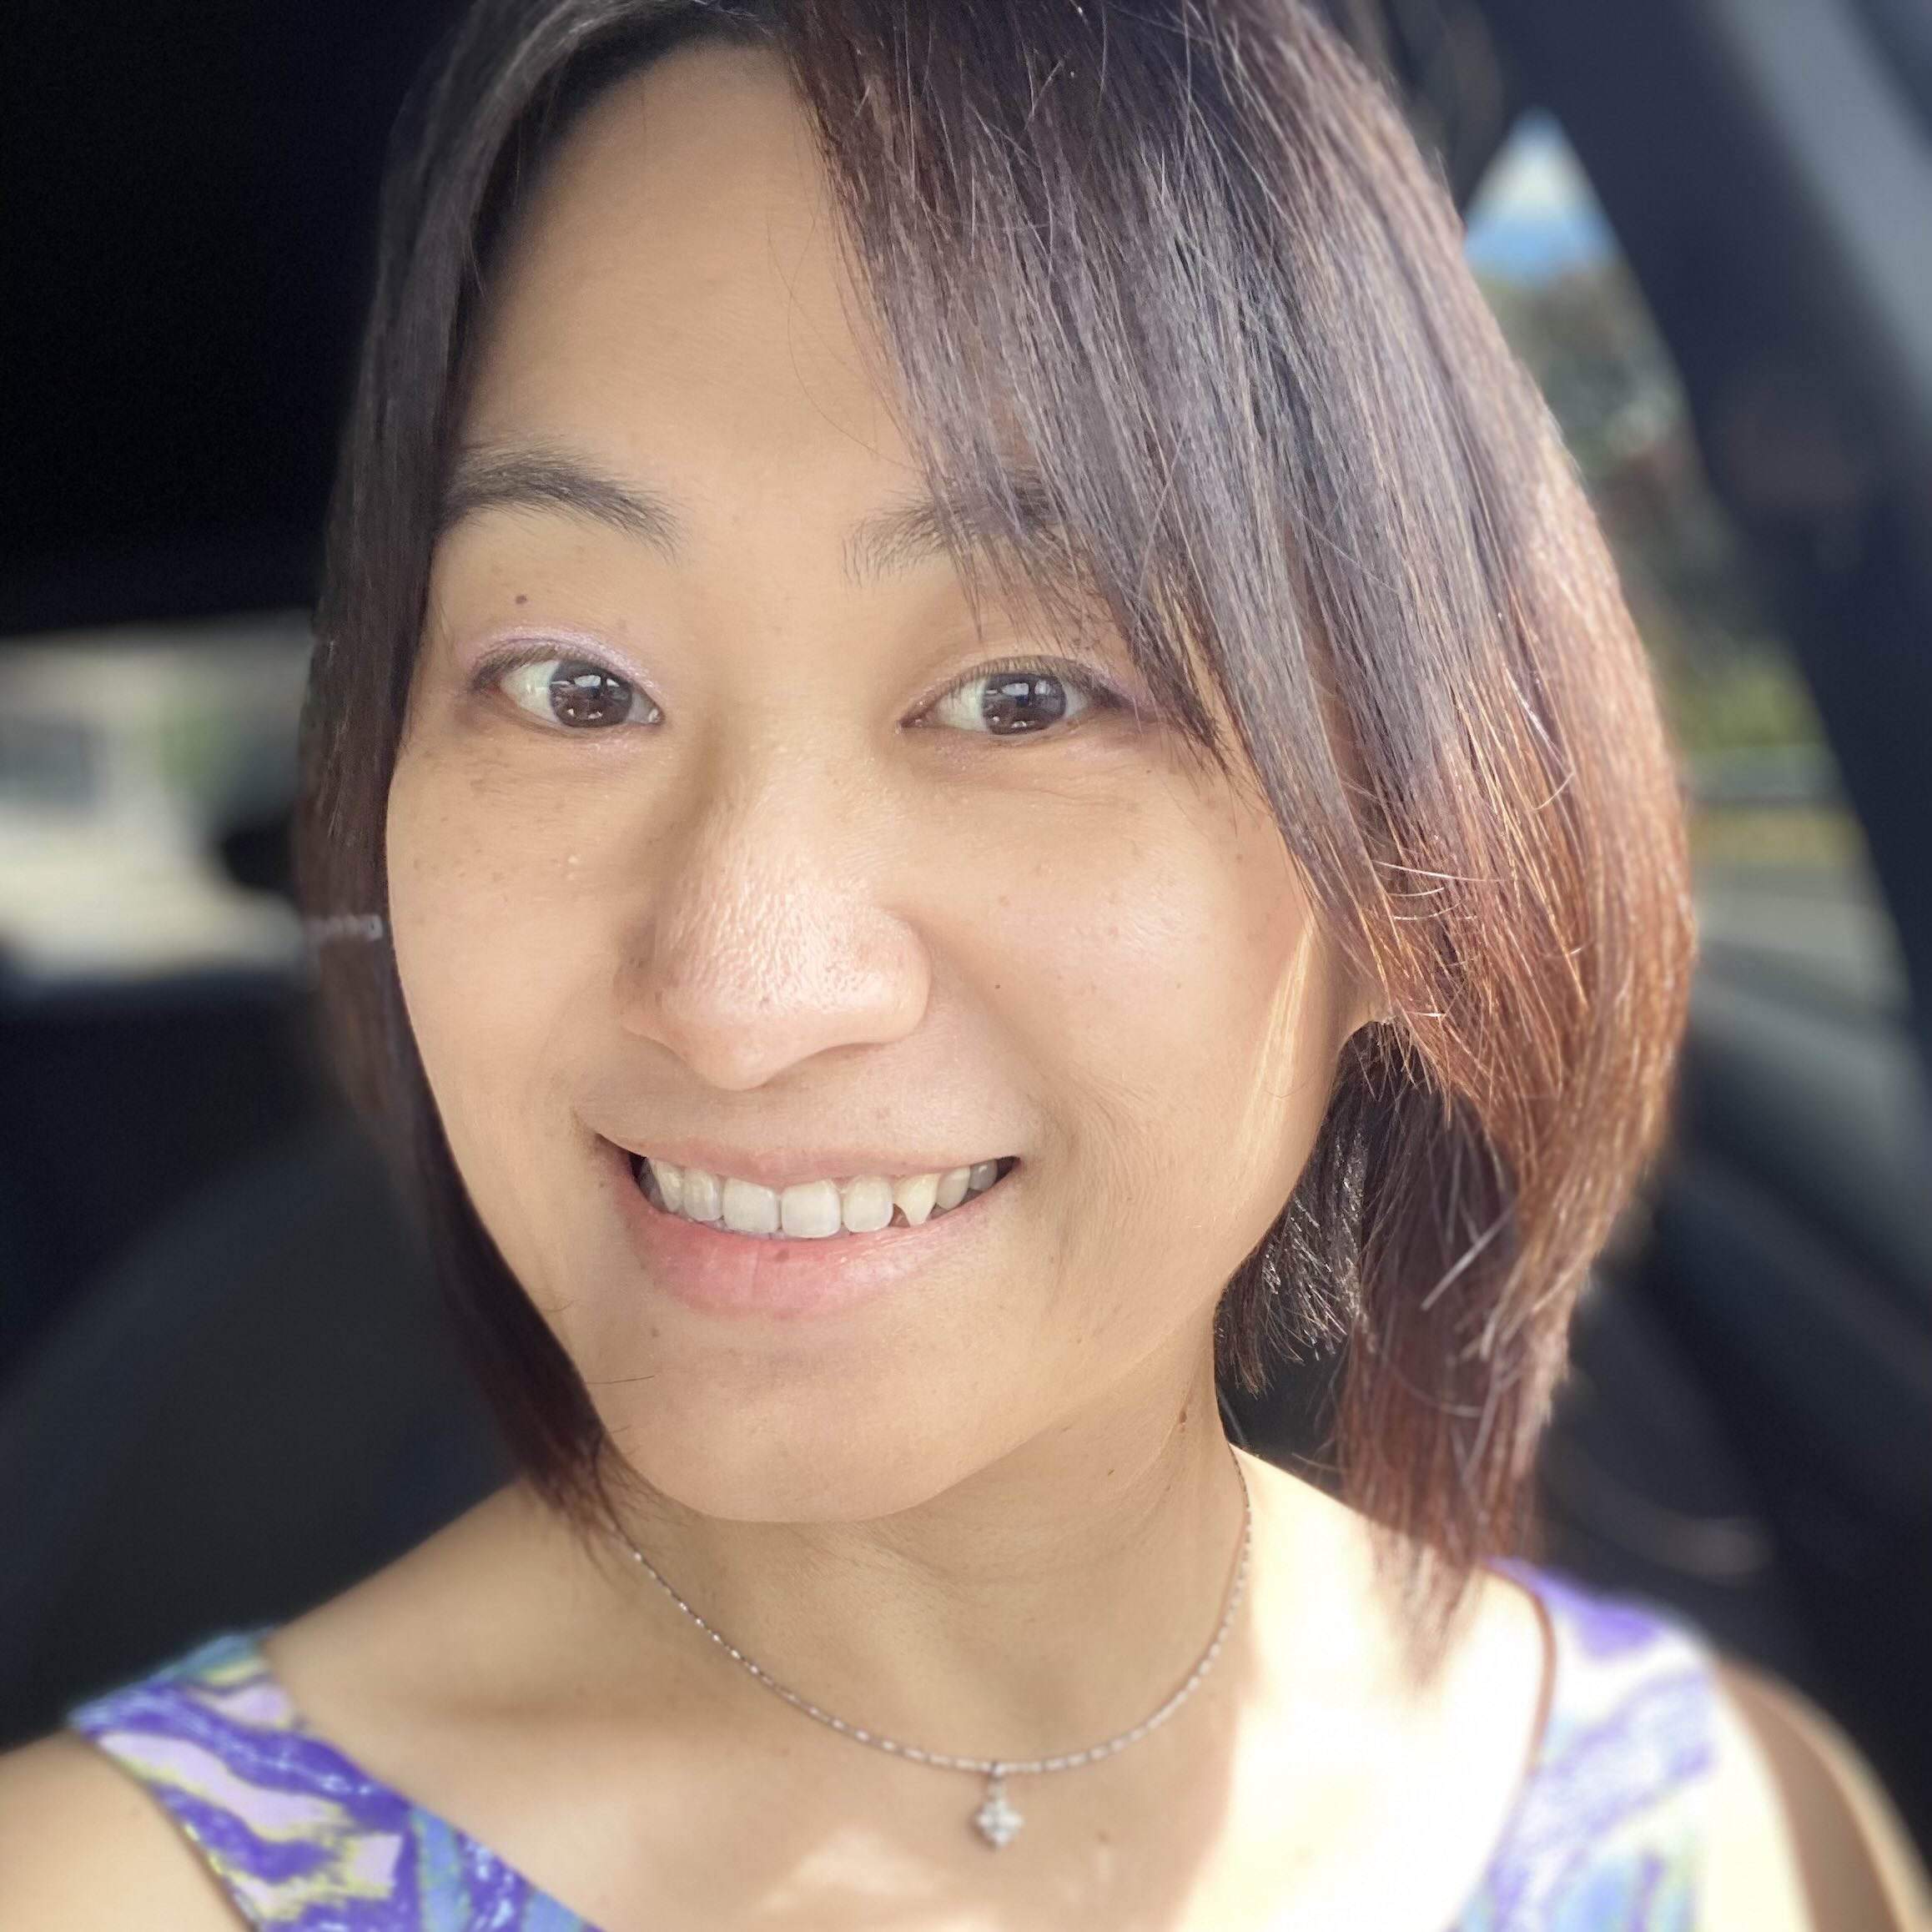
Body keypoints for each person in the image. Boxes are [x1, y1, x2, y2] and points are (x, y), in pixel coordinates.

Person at [2, 2, 1927, 1926]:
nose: (741, 996)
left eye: (1027, 697)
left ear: (1415, 855)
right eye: (574, 687)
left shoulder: (1736, 1833)